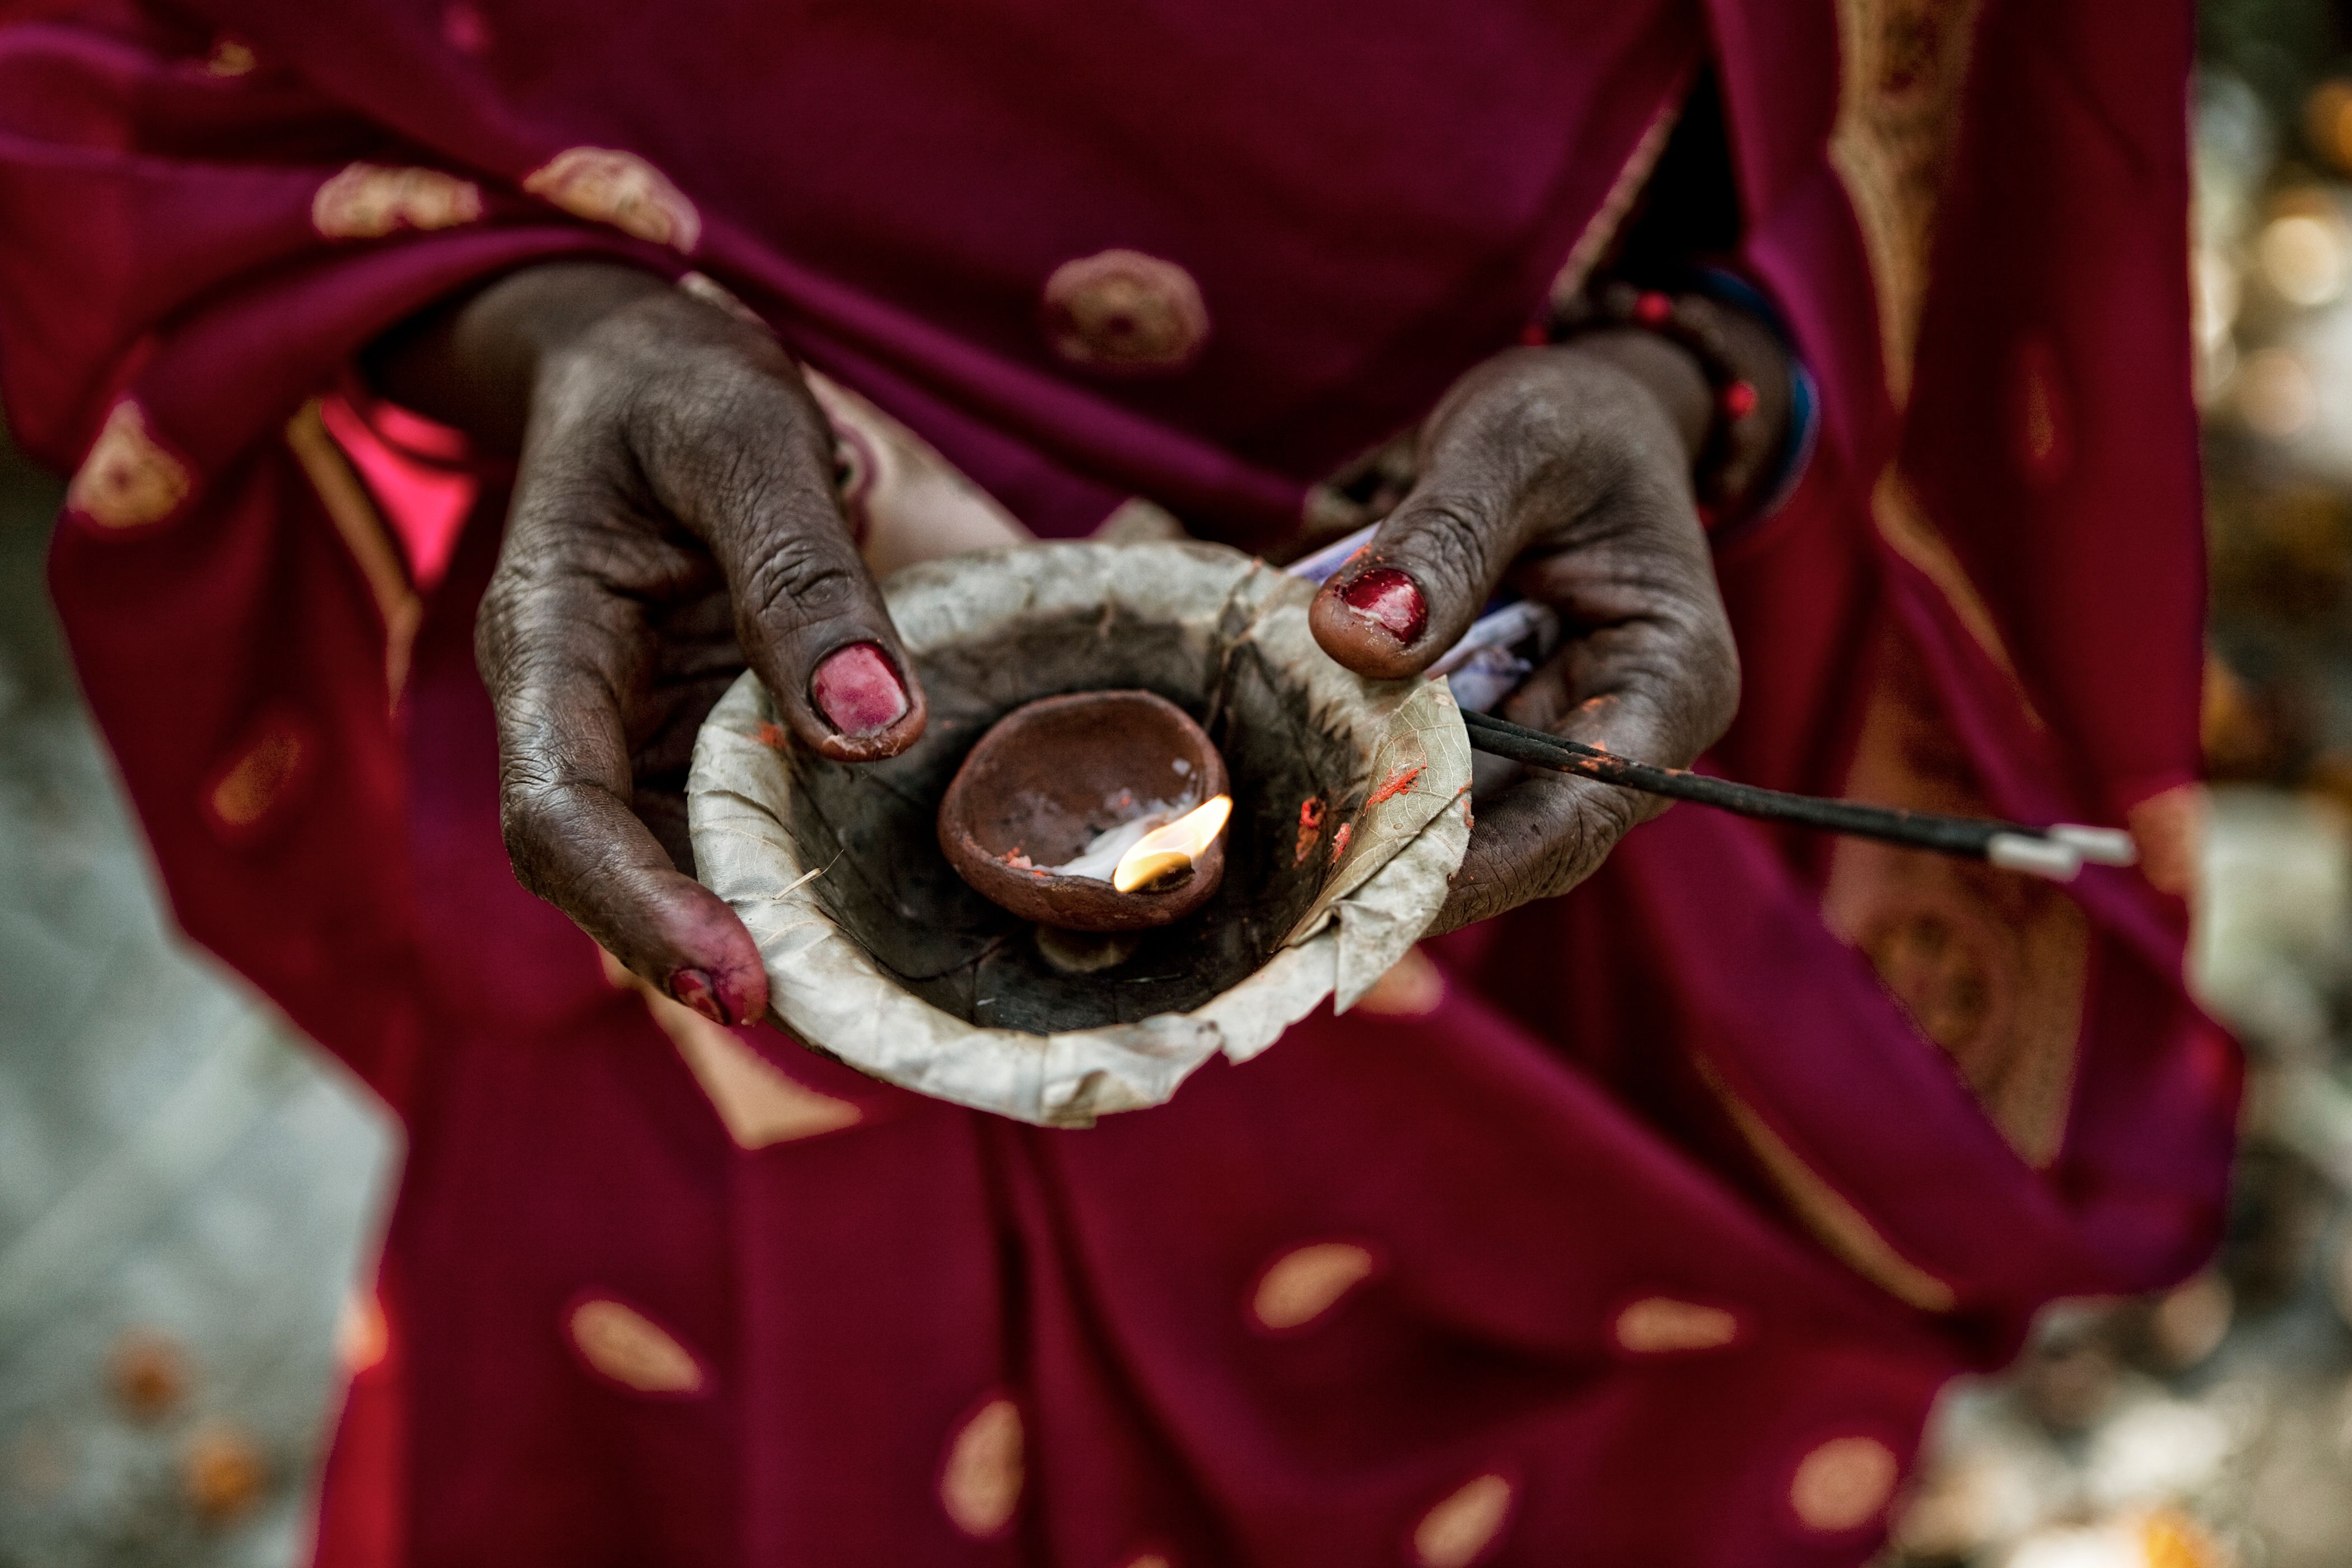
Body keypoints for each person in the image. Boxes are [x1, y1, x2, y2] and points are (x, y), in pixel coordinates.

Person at [0, 1, 2233, 1562]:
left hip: (1518, 784)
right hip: (721, 757)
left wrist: (1709, 378)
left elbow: (1972, 87)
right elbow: (97, 70)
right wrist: (555, 333)